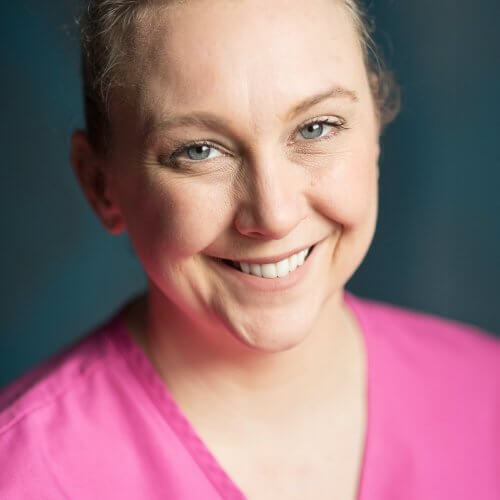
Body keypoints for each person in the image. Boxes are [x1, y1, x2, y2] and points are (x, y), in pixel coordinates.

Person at [0, 0, 498, 498]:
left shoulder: (486, 397)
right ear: (101, 185)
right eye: (198, 150)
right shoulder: (21, 472)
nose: (273, 215)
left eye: (316, 128)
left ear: (375, 123)